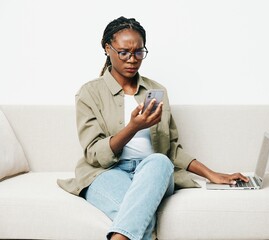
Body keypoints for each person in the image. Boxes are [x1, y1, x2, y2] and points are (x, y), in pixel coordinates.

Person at [58, 16, 248, 240]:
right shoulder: (89, 93)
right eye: (124, 52)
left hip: (154, 172)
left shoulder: (157, 90)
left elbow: (172, 150)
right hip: (107, 172)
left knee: (159, 160)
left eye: (139, 52)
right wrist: (133, 128)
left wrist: (212, 174)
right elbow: (94, 153)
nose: (132, 59)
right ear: (107, 49)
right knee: (137, 215)